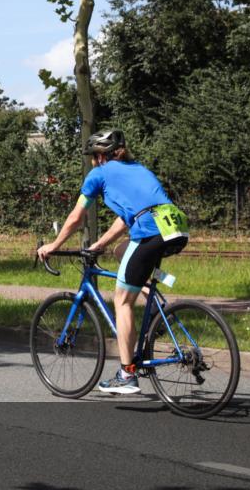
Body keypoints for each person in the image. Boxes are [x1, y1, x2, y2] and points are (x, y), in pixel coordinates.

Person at [37, 130, 189, 395]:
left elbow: (76, 218)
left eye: (93, 158)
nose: (93, 163)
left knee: (121, 300)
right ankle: (152, 305)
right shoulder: (137, 169)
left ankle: (126, 374)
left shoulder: (99, 174)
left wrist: (53, 245)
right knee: (123, 253)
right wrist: (99, 245)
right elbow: (125, 219)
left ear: (100, 156)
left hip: (149, 231)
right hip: (175, 227)